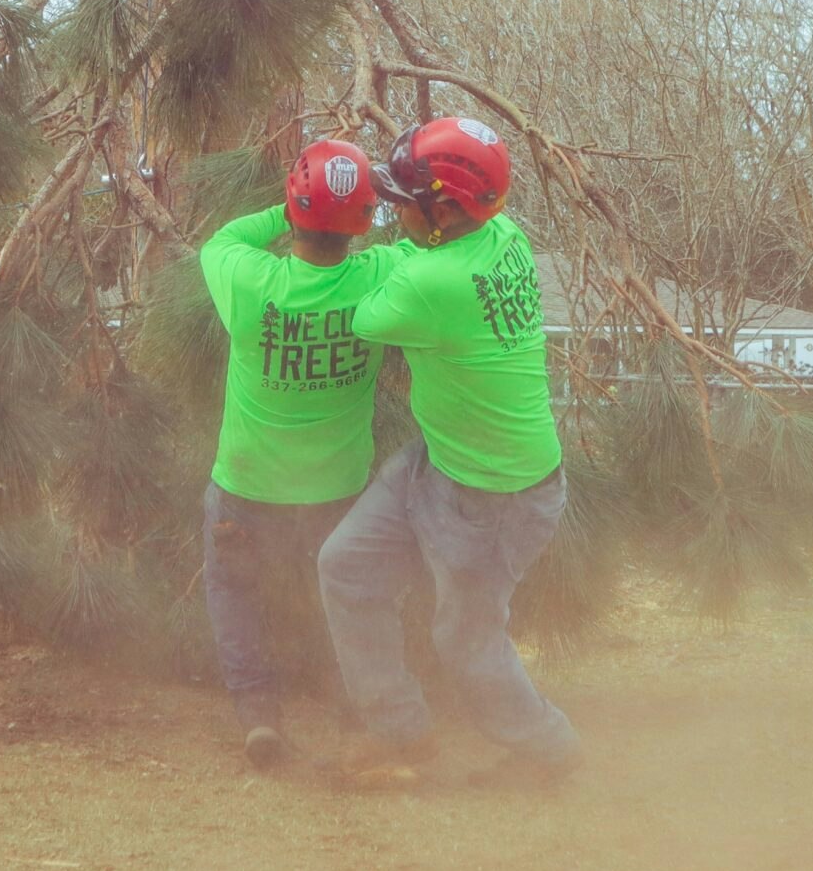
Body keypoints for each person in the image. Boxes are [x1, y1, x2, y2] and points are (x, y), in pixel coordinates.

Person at [317, 116, 579, 784]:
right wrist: (408, 247)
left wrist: (382, 254)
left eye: (406, 199)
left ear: (449, 209)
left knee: (466, 642)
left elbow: (366, 315)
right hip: (442, 459)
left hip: (497, 496)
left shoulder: (433, 285)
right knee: (346, 565)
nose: (393, 210)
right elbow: (416, 259)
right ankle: (399, 731)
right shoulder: (502, 231)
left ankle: (550, 752)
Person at [195, 138, 406, 770]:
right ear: (364, 223)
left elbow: (222, 238)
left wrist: (290, 209)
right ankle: (353, 715)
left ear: (293, 209)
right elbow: (428, 241)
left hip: (247, 484)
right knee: (345, 602)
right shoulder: (379, 277)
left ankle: (259, 716)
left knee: (236, 597)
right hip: (335, 492)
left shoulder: (247, 277)